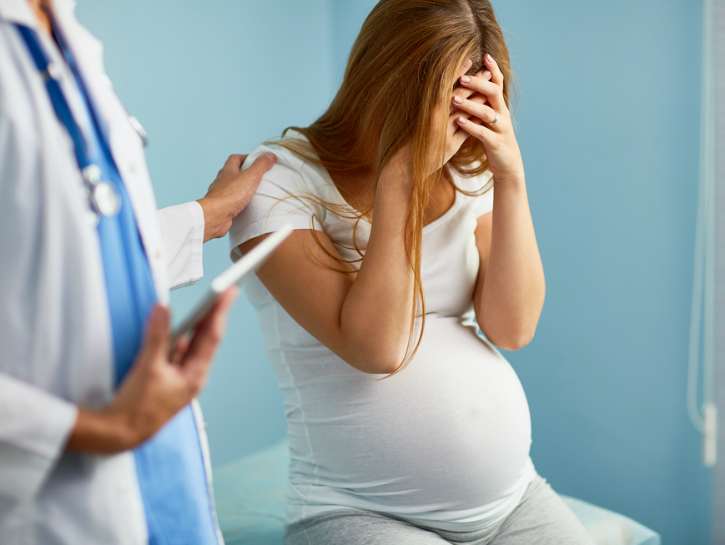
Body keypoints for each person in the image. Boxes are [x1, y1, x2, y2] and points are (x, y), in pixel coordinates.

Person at [230, 1, 597, 544]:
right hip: (356, 511)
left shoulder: (466, 166)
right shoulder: (280, 180)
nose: (455, 123)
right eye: (443, 101)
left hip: (514, 501)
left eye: (472, 99)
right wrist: (401, 177)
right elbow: (377, 350)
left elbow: (512, 328)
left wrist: (511, 176)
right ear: (383, 82)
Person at [0, 0, 276, 543]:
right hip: (56, 506)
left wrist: (206, 216)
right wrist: (101, 428)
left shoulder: (64, 38)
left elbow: (70, 249)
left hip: (164, 479)